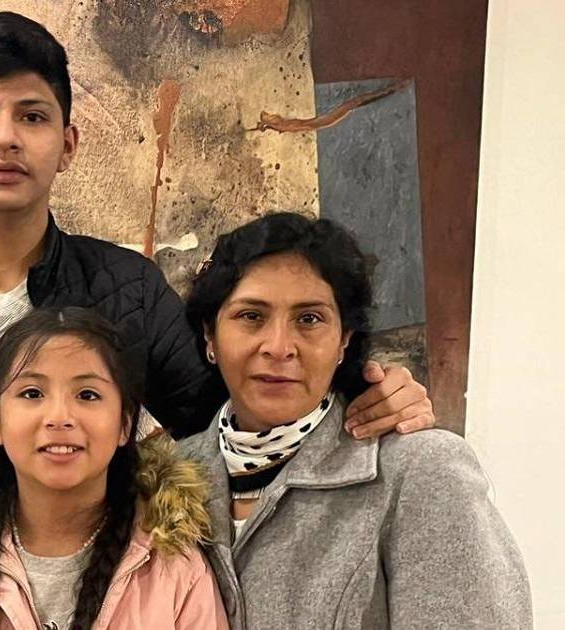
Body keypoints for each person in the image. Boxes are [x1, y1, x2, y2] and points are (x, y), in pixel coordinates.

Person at [0, 12, 434, 629]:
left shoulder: (127, 288)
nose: (4, 138)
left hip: (113, 596)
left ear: (68, 144)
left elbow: (225, 418)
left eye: (32, 116)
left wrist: (361, 392)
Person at [174, 212, 531, 629]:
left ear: (344, 339)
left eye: (309, 319)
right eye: (251, 316)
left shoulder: (418, 471)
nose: (279, 347)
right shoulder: (163, 479)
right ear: (210, 336)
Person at [0, 307, 228, 629]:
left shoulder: (175, 568)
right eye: (32, 393)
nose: (60, 417)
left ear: (124, 424)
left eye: (87, 395)